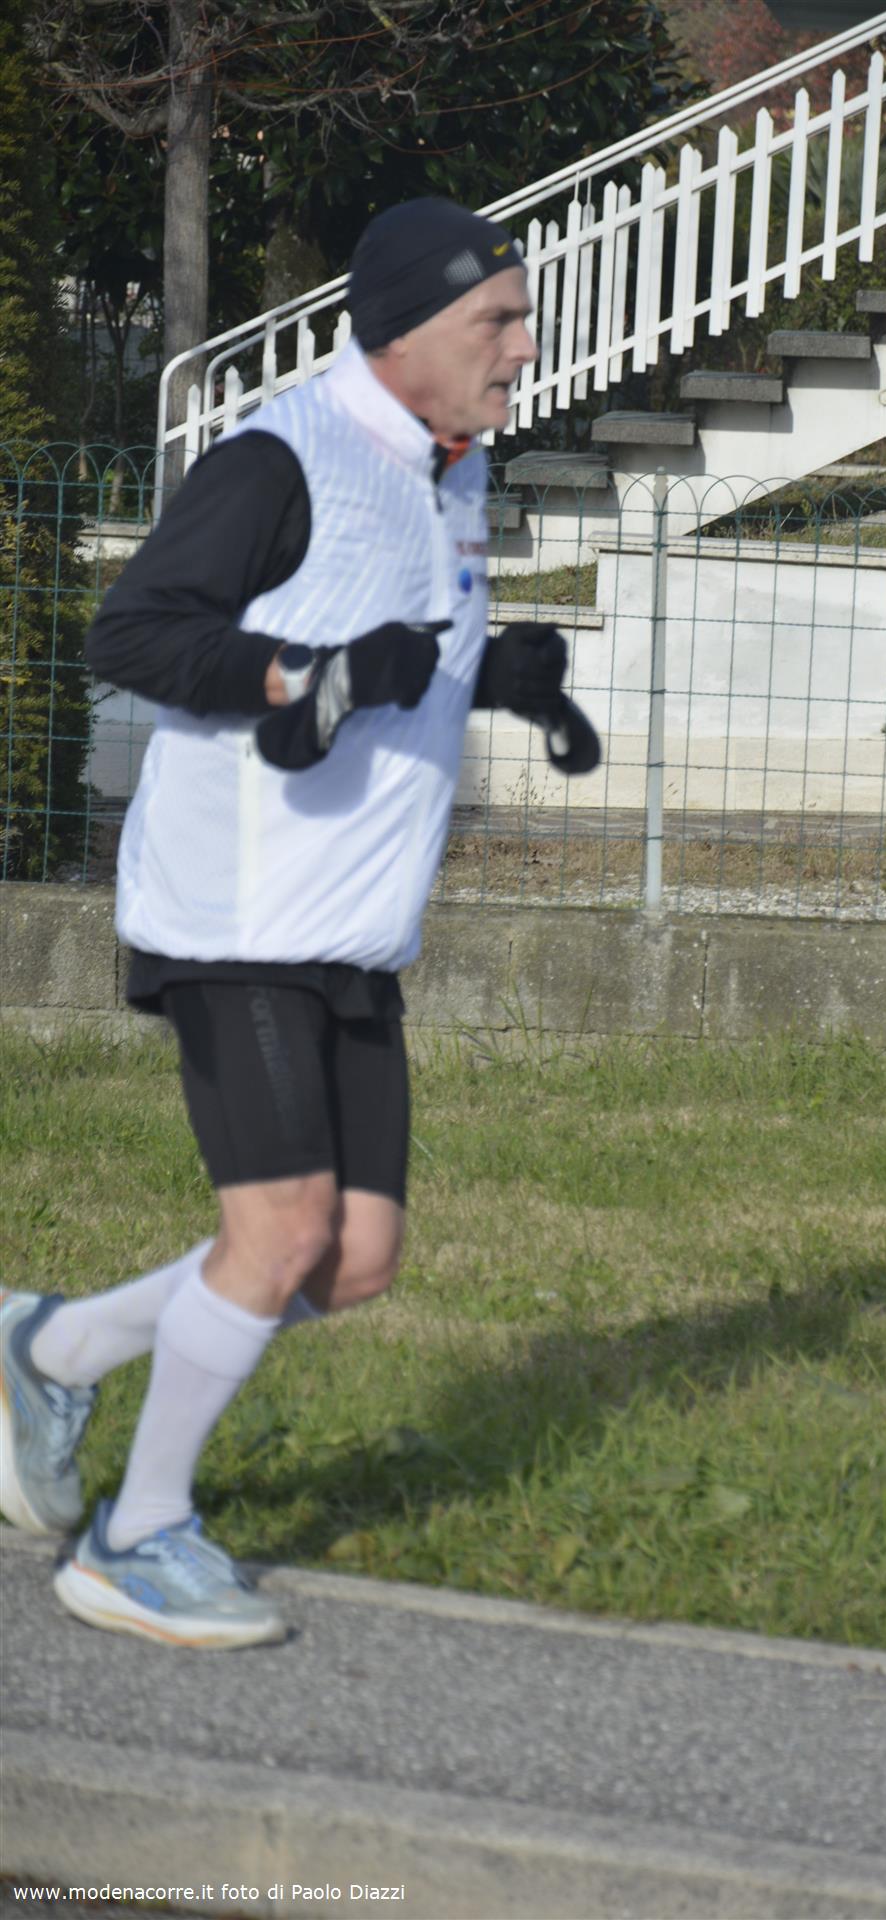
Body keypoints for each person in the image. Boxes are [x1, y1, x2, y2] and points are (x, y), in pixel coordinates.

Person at [0, 197, 598, 1650]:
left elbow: (390, 649)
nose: (525, 347)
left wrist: (491, 677)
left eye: (521, 317)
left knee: (354, 1260)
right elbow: (136, 632)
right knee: (277, 1237)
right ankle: (136, 1539)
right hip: (238, 915)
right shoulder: (282, 458)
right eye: (497, 322)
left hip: (352, 931)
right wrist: (296, 677)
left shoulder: (451, 466)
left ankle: (50, 1351)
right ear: (402, 334)